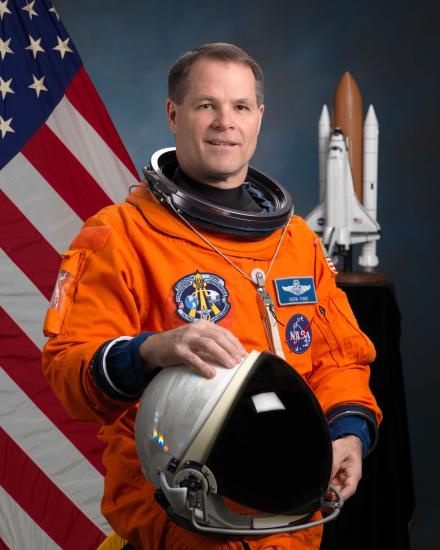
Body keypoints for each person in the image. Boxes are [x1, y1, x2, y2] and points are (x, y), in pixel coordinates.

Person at [42, 43, 381, 549]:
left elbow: (339, 360)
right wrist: (149, 351)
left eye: (240, 107)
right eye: (207, 105)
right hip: (184, 519)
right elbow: (68, 372)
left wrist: (348, 434)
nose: (226, 121)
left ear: (258, 119)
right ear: (174, 114)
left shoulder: (296, 242)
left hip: (293, 522)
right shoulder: (120, 237)